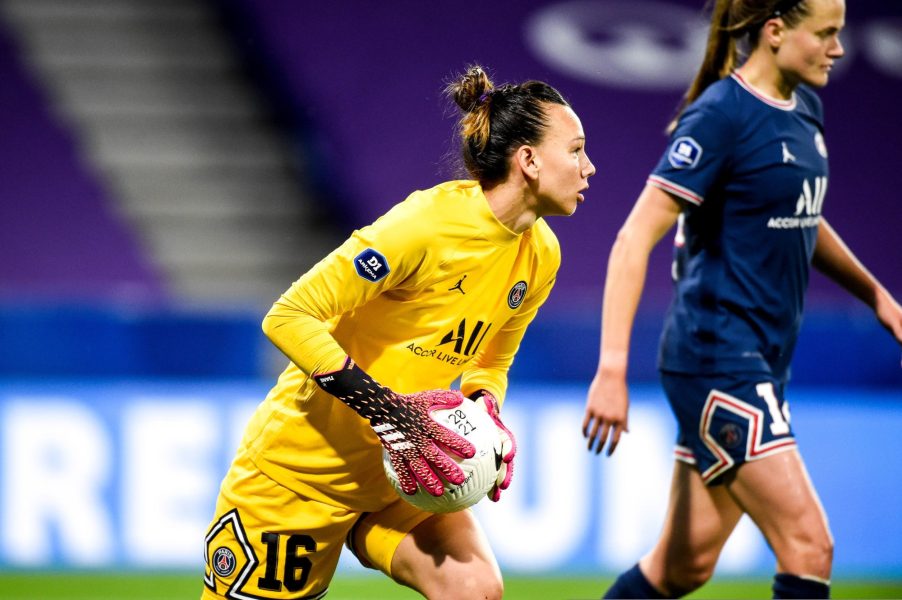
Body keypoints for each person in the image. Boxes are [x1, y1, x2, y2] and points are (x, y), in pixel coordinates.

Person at [202, 64, 595, 600]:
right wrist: (389, 412)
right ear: (528, 159)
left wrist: (486, 412)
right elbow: (289, 315)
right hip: (303, 473)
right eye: (575, 150)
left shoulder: (540, 254)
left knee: (475, 589)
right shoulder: (424, 227)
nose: (589, 167)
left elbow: (490, 361)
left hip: (403, 471)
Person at [581, 0, 902, 598]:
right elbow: (631, 241)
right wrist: (611, 369)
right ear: (776, 31)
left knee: (683, 567)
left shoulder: (805, 106)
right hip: (716, 359)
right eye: (826, 34)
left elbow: (800, 214)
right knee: (809, 544)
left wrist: (880, 299)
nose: (838, 48)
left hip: (759, 360)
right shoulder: (721, 115)